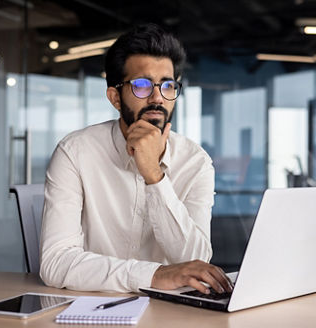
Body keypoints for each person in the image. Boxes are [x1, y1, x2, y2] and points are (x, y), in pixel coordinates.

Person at [40, 23, 233, 295]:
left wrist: (154, 175)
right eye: (142, 85)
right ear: (115, 97)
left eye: (167, 85)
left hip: (168, 312)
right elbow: (55, 263)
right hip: (89, 308)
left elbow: (195, 260)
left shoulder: (196, 162)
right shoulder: (75, 152)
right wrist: (154, 275)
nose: (157, 98)